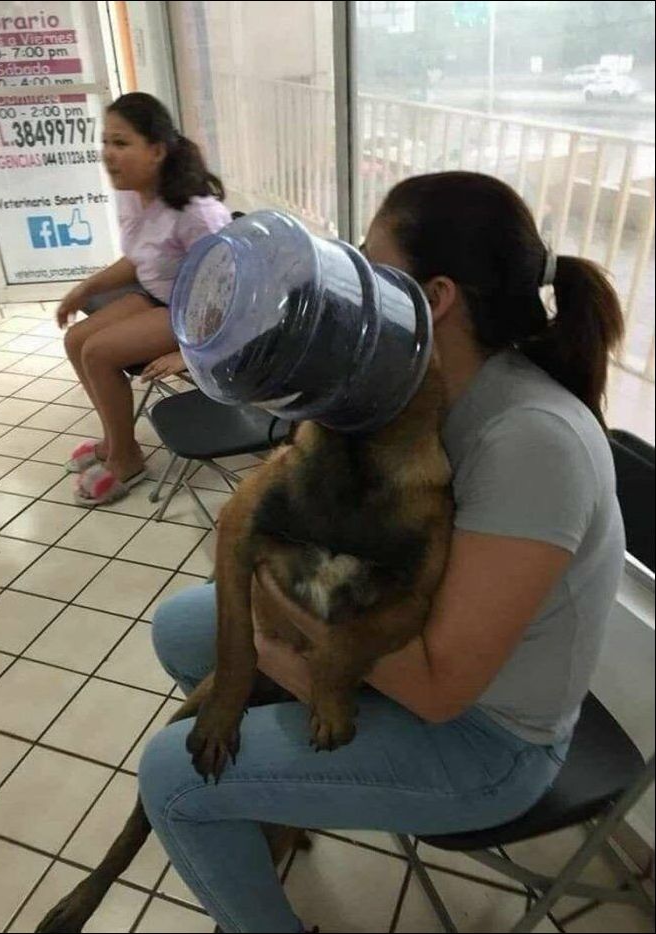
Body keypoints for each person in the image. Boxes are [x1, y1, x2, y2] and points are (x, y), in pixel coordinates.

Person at [137, 172, 625, 933]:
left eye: (370, 263)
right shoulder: (423, 383)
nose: (351, 284)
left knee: (171, 780)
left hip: (488, 740)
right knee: (180, 628)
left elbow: (438, 691)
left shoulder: (532, 442)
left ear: (435, 297)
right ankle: (271, 805)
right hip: (399, 647)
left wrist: (280, 632)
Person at [56, 92, 231, 505]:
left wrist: (191, 353)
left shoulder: (197, 214)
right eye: (105, 142)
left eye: (120, 143)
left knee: (98, 352)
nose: (108, 154)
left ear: (156, 150)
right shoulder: (133, 193)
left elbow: (231, 292)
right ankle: (115, 440)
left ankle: (126, 460)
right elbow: (140, 259)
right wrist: (84, 289)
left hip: (197, 313)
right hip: (160, 295)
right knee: (76, 339)